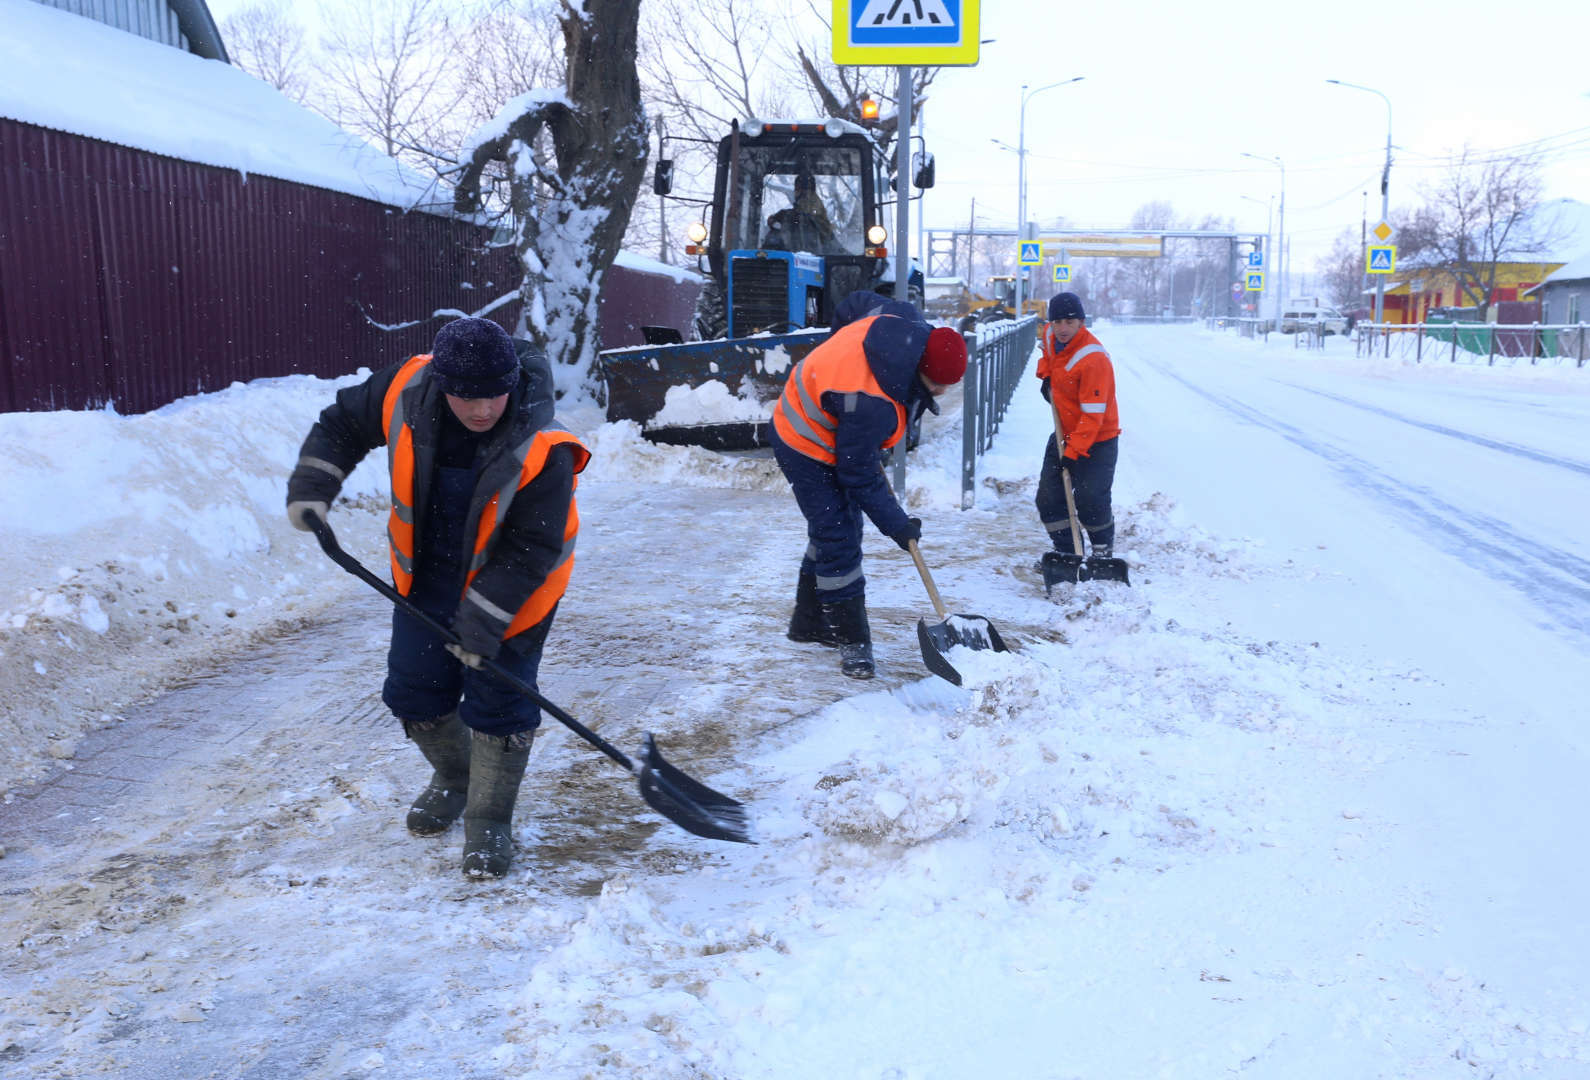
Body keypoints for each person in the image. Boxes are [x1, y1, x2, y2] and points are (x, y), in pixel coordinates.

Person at [284, 316, 589, 879]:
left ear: (513, 380)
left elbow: (530, 550)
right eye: (466, 397)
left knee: (498, 702)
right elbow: (343, 423)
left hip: (515, 589)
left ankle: (490, 820)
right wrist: (313, 486)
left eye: (495, 394)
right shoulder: (407, 389)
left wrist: (482, 624)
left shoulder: (545, 445)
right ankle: (456, 778)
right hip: (425, 577)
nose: (482, 410)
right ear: (442, 385)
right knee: (414, 691)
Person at [771, 293, 967, 679]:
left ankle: (809, 623)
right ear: (919, 369)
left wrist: (832, 354)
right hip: (802, 439)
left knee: (835, 529)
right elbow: (858, 473)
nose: (942, 393)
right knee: (840, 535)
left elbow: (851, 303)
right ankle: (852, 643)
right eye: (937, 387)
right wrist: (898, 525)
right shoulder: (871, 402)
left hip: (838, 427)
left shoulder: (903, 319)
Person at [1035, 291, 1120, 559]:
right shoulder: (1050, 335)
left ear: (1081, 322)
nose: (1062, 328)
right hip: (1065, 431)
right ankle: (1067, 551)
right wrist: (1046, 376)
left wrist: (1073, 453)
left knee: (1090, 498)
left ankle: (1102, 550)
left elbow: (1093, 416)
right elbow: (1048, 356)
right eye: (1057, 321)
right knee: (1048, 497)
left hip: (1099, 438)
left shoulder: (1093, 359)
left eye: (1069, 322)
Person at [764, 172, 836, 253]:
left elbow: (839, 254)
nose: (806, 198)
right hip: (787, 264)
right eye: (799, 191)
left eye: (808, 193)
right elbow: (767, 254)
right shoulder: (783, 218)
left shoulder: (823, 226)